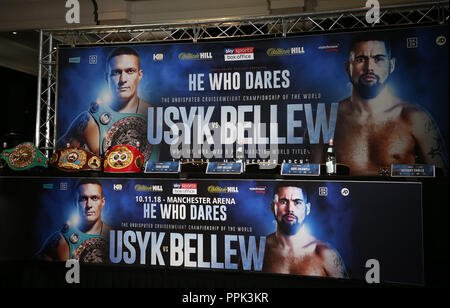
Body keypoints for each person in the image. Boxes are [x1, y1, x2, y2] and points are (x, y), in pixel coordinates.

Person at [312, 36, 447, 175]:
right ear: (348, 67)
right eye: (360, 59)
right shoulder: (327, 117)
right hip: (344, 196)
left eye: (379, 59)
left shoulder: (415, 117)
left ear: (392, 65)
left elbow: (441, 177)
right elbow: (312, 178)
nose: (369, 67)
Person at [56, 46, 158, 162]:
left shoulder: (156, 115)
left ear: (139, 75)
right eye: (116, 72)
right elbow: (57, 160)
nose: (123, 79)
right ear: (107, 77)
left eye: (130, 71)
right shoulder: (89, 121)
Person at [262, 184, 348, 278]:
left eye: (297, 202)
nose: (290, 209)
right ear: (272, 207)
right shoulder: (258, 249)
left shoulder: (326, 253)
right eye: (283, 202)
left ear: (307, 209)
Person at [35, 179, 111, 262]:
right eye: (83, 199)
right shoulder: (61, 238)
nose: (89, 205)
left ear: (102, 202)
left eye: (94, 198)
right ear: (76, 202)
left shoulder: (115, 235)